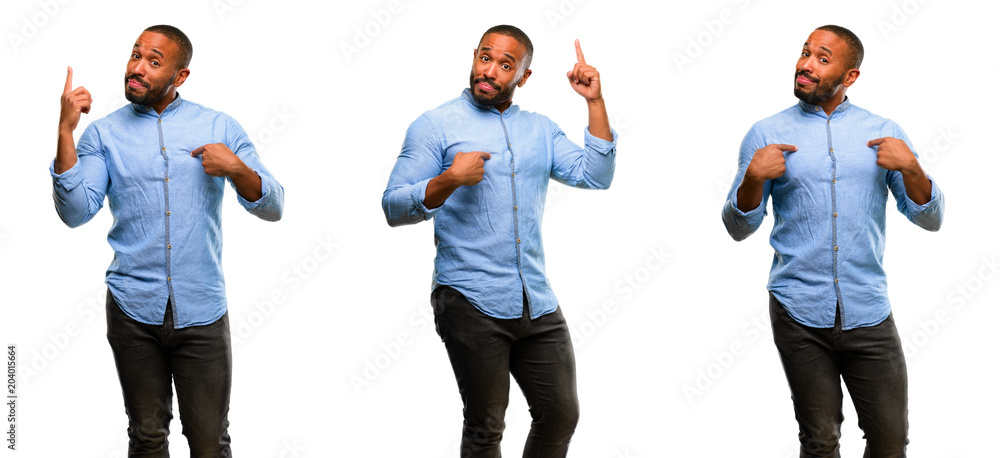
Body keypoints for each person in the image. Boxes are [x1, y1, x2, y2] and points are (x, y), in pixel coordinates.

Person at [382, 24, 616, 458]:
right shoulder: (434, 126)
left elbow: (595, 175)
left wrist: (595, 102)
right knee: (486, 426)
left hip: (536, 300)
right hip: (469, 297)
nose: (489, 71)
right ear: (474, 56)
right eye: (485, 57)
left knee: (561, 414)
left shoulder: (541, 130)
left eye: (505, 65)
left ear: (523, 77)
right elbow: (394, 206)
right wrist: (449, 179)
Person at [51, 24, 283, 457]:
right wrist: (65, 130)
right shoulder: (103, 134)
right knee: (146, 437)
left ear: (180, 76)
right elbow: (75, 211)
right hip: (132, 309)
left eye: (153, 62)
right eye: (135, 55)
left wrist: (236, 168)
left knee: (210, 442)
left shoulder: (218, 125)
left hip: (203, 310)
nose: (136, 69)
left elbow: (273, 206)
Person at [721, 25, 944, 457]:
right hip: (797, 309)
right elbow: (737, 227)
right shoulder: (766, 133)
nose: (806, 65)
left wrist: (913, 168)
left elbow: (929, 218)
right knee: (820, 439)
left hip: (869, 309)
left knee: (890, 439)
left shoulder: (884, 131)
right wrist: (752, 178)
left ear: (850, 76)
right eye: (805, 53)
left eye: (822, 59)